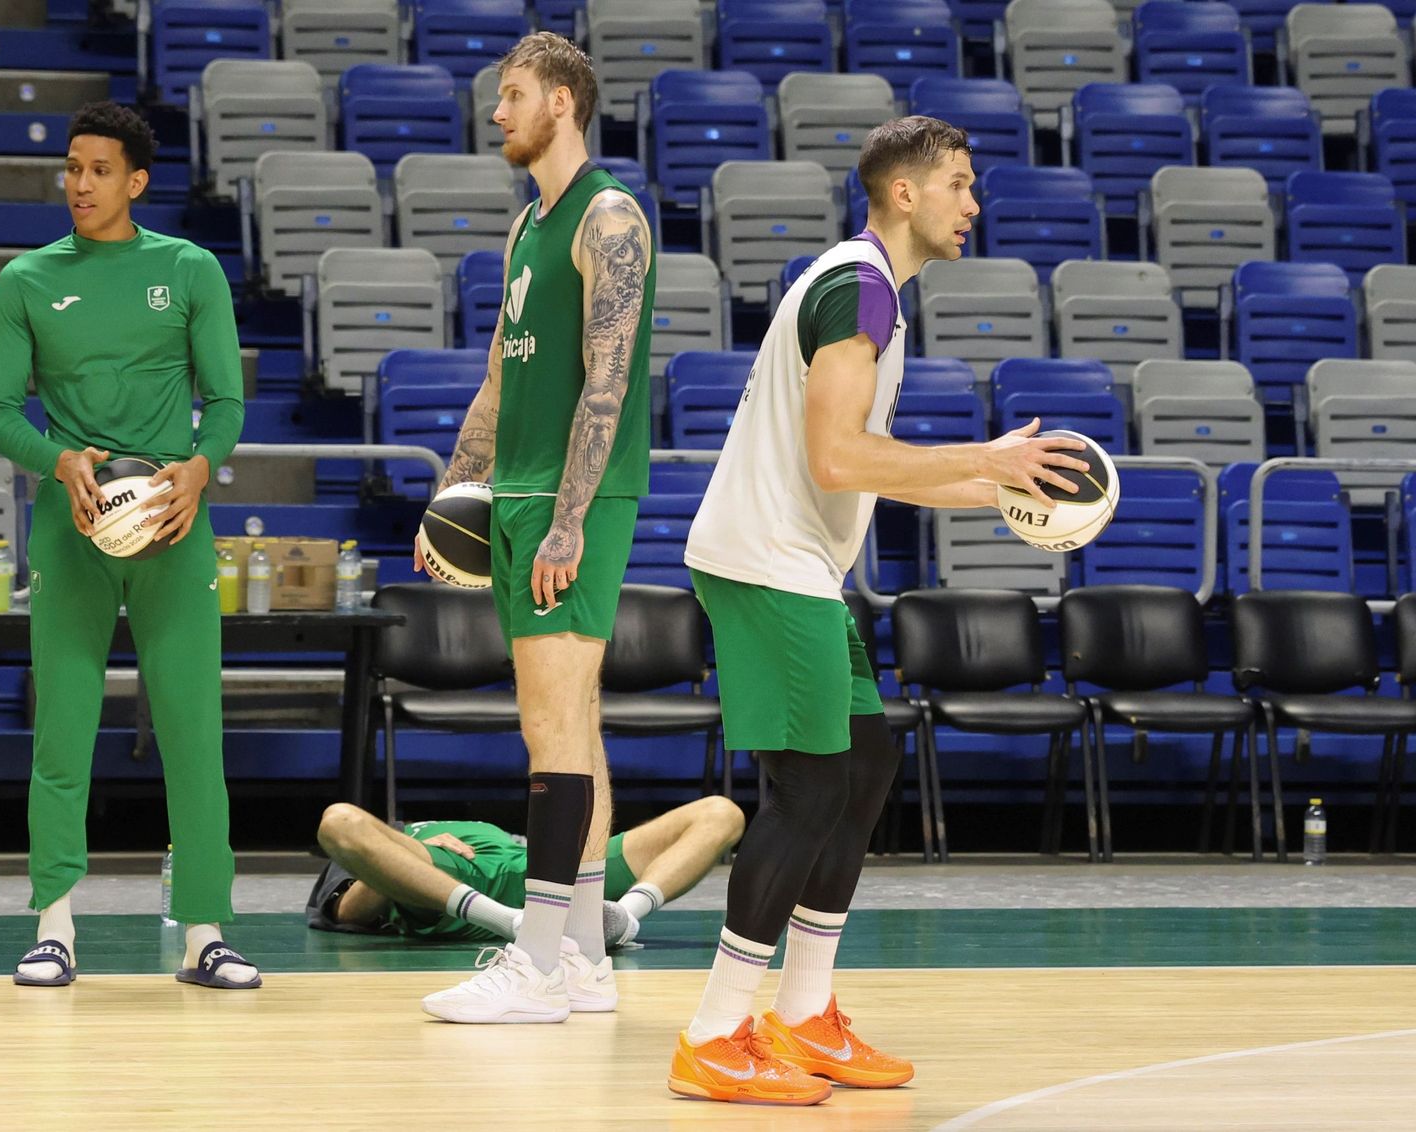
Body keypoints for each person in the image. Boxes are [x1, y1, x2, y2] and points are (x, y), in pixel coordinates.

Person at [667, 118, 1091, 1104]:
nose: (971, 203)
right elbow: (836, 459)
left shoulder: (866, 292)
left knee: (864, 767)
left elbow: (869, 467)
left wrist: (998, 494)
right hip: (765, 564)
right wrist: (982, 457)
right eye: (958, 183)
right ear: (904, 193)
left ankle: (804, 1011)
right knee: (809, 791)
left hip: (799, 562)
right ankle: (715, 1030)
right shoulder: (857, 289)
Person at [0, 101, 258, 990]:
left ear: (136, 181)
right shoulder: (25, 279)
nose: (79, 184)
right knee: (61, 735)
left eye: (98, 170)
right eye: (71, 167)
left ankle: (205, 935)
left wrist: (201, 468)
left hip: (173, 527)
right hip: (73, 530)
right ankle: (54, 928)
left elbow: (227, 402)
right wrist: (56, 458)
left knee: (192, 737)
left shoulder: (189, 269)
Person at [414, 32, 655, 1024]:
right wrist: (454, 496)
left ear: (562, 101)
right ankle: (587, 957)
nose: (500, 112)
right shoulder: (528, 230)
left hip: (576, 504)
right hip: (512, 499)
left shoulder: (610, 219)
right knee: (578, 732)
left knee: (548, 729)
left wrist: (566, 523)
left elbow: (608, 381)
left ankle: (539, 963)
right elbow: (498, 380)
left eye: (514, 95)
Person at [306, 797, 744, 946]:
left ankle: (622, 917)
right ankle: (513, 924)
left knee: (721, 813)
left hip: (559, 868)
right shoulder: (406, 843)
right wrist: (406, 848)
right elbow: (348, 912)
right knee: (339, 819)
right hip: (462, 883)